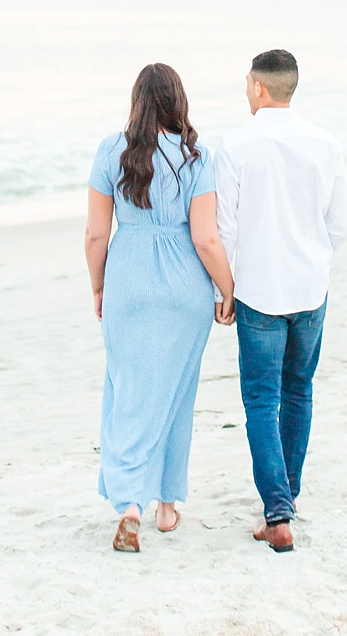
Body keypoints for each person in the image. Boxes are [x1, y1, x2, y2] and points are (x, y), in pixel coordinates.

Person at [85, 62, 236, 553]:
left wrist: (98, 285)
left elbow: (94, 235)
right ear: (178, 101)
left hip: (128, 278)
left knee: (128, 389)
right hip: (183, 288)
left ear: (137, 102)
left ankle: (129, 502)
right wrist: (226, 288)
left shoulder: (112, 151)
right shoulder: (196, 156)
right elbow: (206, 237)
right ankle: (168, 507)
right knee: (175, 391)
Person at [216, 49, 347, 553]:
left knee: (260, 399)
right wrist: (313, 261)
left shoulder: (234, 145)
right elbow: (340, 225)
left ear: (258, 87)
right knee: (299, 391)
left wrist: (222, 291)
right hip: (310, 290)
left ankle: (277, 513)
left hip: (258, 292)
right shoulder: (326, 144)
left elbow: (224, 227)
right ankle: (285, 497)